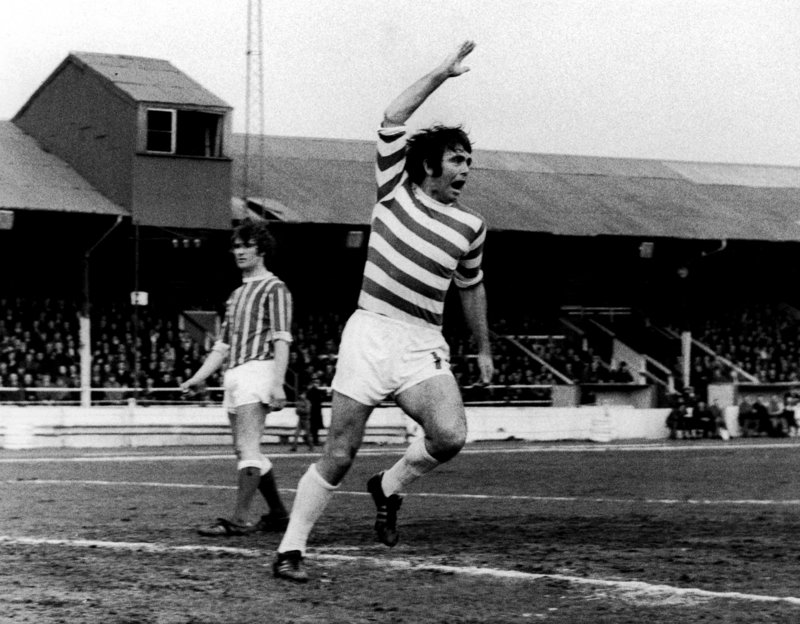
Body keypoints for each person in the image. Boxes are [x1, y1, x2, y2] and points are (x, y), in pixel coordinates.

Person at [273, 40, 493, 582]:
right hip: (370, 334)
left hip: (421, 342)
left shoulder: (471, 226)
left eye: (469, 160)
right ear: (430, 164)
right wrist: (441, 73)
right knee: (340, 452)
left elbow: (471, 287)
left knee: (450, 436)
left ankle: (389, 486)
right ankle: (290, 549)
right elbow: (393, 117)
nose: (465, 168)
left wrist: (484, 346)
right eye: (457, 158)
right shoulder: (395, 188)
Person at [181, 218, 292, 537]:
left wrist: (277, 382)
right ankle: (278, 514)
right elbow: (222, 346)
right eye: (236, 246)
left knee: (247, 448)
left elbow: (282, 337)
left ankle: (240, 518)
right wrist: (197, 378)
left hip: (258, 371)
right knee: (244, 449)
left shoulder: (276, 288)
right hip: (235, 375)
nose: (240, 251)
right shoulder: (235, 295)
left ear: (262, 250)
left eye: (247, 245)